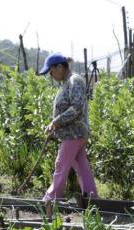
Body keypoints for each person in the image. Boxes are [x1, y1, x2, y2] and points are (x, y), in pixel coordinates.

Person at [39, 53, 97, 217]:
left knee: (61, 165)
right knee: (81, 165)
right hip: (74, 133)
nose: (51, 75)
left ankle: (50, 200)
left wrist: (56, 122)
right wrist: (53, 125)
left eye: (51, 71)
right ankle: (92, 200)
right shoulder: (67, 83)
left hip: (74, 133)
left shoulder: (74, 81)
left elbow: (76, 107)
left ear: (60, 67)